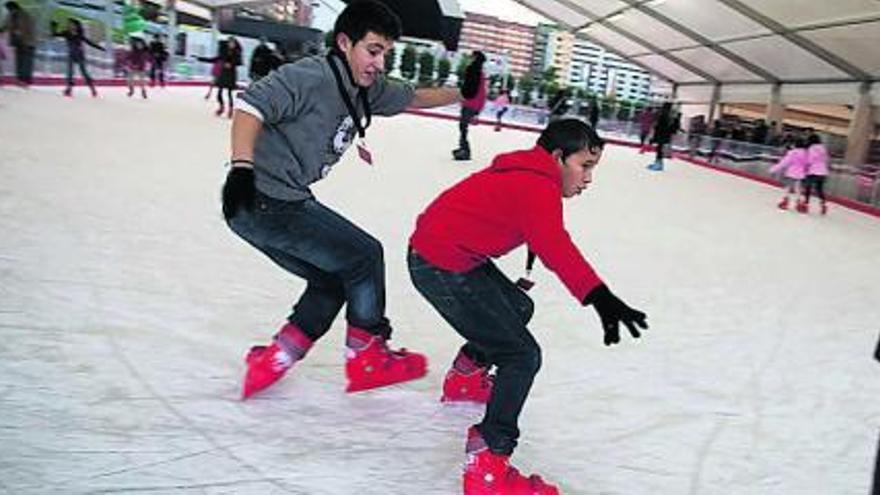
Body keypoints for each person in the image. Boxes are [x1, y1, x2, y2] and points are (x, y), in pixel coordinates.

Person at [222, 0, 461, 399]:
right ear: (345, 43)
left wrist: (462, 93)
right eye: (373, 50)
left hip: (274, 204)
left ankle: (277, 358)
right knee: (364, 256)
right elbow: (251, 107)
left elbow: (415, 98)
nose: (379, 62)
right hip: (264, 200)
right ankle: (368, 354)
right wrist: (241, 170)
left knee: (332, 279)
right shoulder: (312, 76)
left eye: (386, 52)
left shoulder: (369, 88)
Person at [408, 118, 648, 495]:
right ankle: (488, 464)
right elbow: (556, 245)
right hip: (441, 263)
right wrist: (602, 299)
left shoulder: (529, 173)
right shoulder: (535, 185)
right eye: (583, 166)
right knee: (522, 356)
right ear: (557, 157)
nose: (587, 179)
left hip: (450, 256)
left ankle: (466, 376)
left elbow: (541, 234)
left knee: (517, 307)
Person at [51, 18, 103, 98]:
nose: (69, 25)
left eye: (71, 24)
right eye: (69, 24)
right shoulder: (66, 33)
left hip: (80, 56)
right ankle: (68, 90)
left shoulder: (80, 34)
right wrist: (53, 26)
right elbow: (54, 34)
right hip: (71, 55)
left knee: (84, 73)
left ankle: (93, 89)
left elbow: (89, 42)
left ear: (76, 25)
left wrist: (100, 48)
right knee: (70, 73)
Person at [453, 50, 487, 161]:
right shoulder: (478, 72)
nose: (470, 58)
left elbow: (480, 92)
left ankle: (465, 150)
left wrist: (477, 108)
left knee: (463, 126)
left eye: (472, 56)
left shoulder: (476, 72)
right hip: (470, 103)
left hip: (471, 104)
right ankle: (463, 148)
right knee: (463, 127)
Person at [199, 37, 241, 118]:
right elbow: (214, 59)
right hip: (223, 73)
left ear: (235, 44)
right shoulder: (224, 52)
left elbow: (239, 62)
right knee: (219, 93)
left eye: (232, 43)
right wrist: (200, 58)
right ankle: (221, 107)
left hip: (231, 74)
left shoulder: (237, 52)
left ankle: (231, 109)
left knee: (229, 94)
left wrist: (231, 64)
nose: (231, 44)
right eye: (229, 43)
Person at [769, 137, 809, 212]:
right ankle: (799, 203)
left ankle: (785, 202)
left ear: (795, 144)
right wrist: (806, 171)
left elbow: (784, 163)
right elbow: (807, 164)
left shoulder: (792, 152)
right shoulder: (806, 153)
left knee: (788, 188)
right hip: (800, 174)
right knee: (798, 189)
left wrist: (773, 169)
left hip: (791, 173)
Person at [1, 1, 35, 87]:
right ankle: (20, 79)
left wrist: (21, 33)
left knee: (26, 61)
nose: (9, 11)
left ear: (14, 8)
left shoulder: (24, 15)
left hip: (27, 41)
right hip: (18, 42)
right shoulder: (11, 15)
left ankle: (26, 80)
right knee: (19, 60)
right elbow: (6, 25)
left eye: (9, 9)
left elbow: (28, 27)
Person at [803, 133, 830, 215]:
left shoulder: (812, 148)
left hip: (813, 171)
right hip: (823, 172)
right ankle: (823, 204)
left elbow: (810, 160)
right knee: (819, 189)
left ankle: (806, 204)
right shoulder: (823, 148)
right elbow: (826, 159)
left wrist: (805, 167)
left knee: (808, 187)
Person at [647, 102, 675, 171]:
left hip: (661, 134)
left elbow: (658, 125)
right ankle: (658, 163)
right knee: (660, 149)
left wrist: (654, 135)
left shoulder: (663, 115)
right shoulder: (670, 116)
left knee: (659, 149)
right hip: (665, 135)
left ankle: (658, 164)